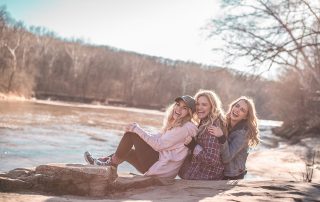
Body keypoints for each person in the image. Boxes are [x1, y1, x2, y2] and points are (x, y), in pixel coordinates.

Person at [84, 95, 198, 179]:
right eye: (178, 105)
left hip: (161, 168)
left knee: (131, 135)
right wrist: (140, 131)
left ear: (189, 112)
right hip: (160, 165)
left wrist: (137, 129)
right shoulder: (177, 124)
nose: (178, 109)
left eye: (184, 108)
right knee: (128, 152)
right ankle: (109, 168)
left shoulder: (184, 128)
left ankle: (105, 164)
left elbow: (158, 145)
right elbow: (158, 137)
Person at [178, 90, 227, 180]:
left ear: (212, 107)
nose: (199, 108)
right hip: (199, 172)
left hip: (205, 177)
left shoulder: (211, 127)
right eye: (197, 104)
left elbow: (212, 159)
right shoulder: (204, 122)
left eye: (204, 105)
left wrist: (193, 146)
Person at [208, 96, 260, 180]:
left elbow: (226, 158)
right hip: (221, 172)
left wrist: (221, 136)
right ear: (232, 106)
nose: (237, 110)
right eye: (237, 106)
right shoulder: (225, 123)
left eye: (242, 110)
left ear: (245, 116)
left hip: (233, 175)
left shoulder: (242, 134)